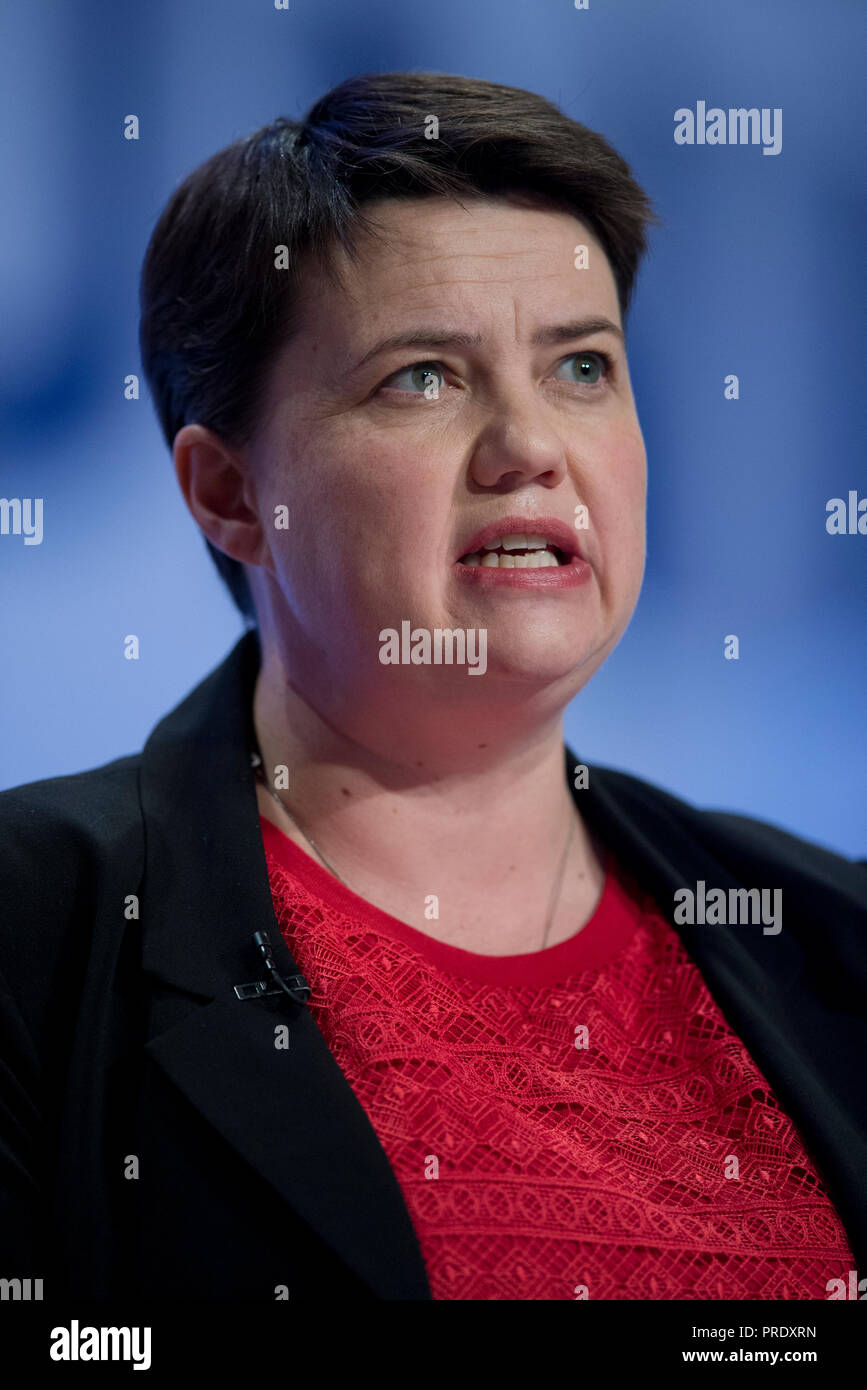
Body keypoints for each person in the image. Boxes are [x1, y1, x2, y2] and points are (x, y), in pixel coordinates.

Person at [1, 71, 865, 1303]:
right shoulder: (40, 937)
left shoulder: (828, 937)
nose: (531, 447)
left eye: (581, 368)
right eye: (423, 377)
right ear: (231, 494)